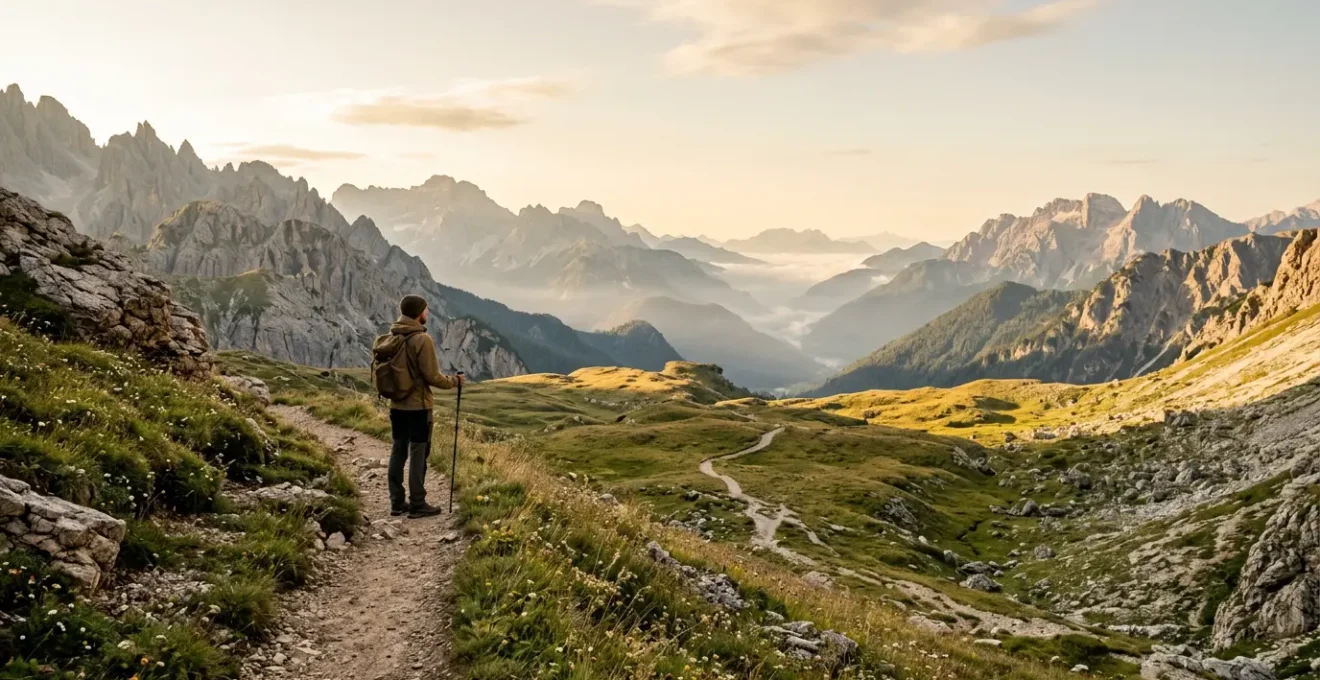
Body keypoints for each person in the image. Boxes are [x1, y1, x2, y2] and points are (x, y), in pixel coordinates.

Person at [373, 295, 464, 518]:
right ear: (419, 312)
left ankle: (396, 502)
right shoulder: (422, 340)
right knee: (418, 453)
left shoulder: (391, 336)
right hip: (419, 407)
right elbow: (433, 377)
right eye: (426, 309)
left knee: (398, 450)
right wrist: (455, 381)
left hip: (396, 406)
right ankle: (417, 503)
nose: (428, 313)